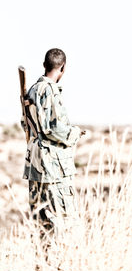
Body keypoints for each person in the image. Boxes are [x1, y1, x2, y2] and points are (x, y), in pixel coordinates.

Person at [21, 48, 85, 237]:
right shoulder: (50, 91)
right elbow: (54, 128)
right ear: (62, 68)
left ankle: (44, 262)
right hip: (52, 166)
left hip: (34, 163)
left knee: (41, 220)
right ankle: (56, 263)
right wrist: (74, 133)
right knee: (59, 217)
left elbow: (25, 123)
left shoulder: (32, 89)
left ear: (44, 65)